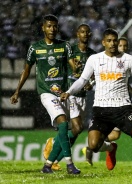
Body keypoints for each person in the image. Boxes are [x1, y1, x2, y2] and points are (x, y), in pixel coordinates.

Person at [60, 28, 132, 177]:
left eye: (114, 40)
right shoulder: (94, 59)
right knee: (93, 145)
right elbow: (83, 80)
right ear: (103, 42)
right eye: (109, 41)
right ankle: (110, 148)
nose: (112, 43)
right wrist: (69, 92)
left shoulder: (129, 60)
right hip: (100, 109)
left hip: (123, 108)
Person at [10, 14, 81, 174]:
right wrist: (17, 91)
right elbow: (26, 70)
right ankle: (69, 164)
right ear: (43, 28)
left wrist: (76, 67)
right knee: (63, 123)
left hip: (64, 93)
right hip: (46, 92)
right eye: (49, 26)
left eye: (55, 26)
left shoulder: (65, 46)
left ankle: (48, 164)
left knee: (77, 127)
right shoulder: (35, 48)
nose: (52, 29)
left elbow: (72, 66)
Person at [83, 37, 132, 168]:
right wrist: (89, 84)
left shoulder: (127, 60)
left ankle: (102, 145)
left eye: (126, 45)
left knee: (116, 134)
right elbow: (98, 79)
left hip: (124, 103)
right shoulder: (108, 61)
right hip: (114, 104)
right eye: (121, 45)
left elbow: (128, 84)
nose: (123, 48)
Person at [43, 23, 97, 171]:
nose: (85, 34)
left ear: (90, 35)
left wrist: (90, 84)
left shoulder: (93, 55)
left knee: (76, 130)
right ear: (77, 35)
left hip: (82, 96)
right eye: (82, 32)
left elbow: (95, 76)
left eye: (87, 32)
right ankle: (54, 146)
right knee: (77, 126)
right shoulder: (70, 50)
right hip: (70, 93)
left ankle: (53, 158)